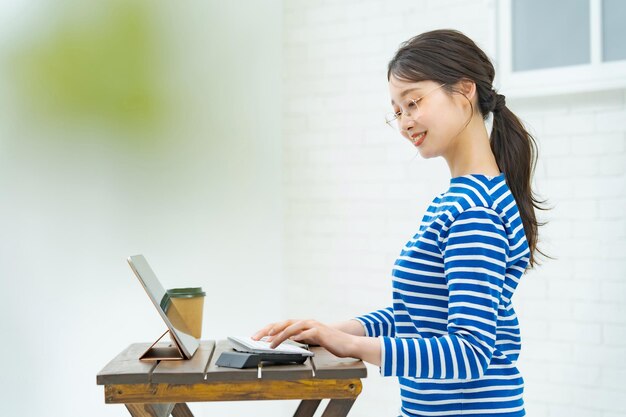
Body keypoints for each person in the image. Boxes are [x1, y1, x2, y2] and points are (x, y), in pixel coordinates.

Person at [252, 29, 547, 417]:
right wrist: (332, 332)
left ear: (464, 91)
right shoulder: (458, 200)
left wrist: (352, 347)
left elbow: (471, 351)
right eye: (397, 111)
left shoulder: (476, 212)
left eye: (413, 102)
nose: (405, 121)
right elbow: (419, 314)